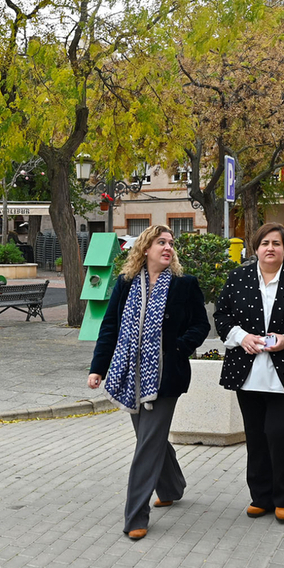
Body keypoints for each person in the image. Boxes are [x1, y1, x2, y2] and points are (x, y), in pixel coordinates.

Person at [88, 225, 210, 541]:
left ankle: (136, 516)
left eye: (171, 243)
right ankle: (171, 486)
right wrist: (97, 368)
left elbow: (201, 324)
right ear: (145, 249)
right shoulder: (126, 284)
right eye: (161, 242)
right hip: (131, 375)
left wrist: (179, 348)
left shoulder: (185, 285)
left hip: (166, 377)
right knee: (149, 438)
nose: (168, 247)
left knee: (147, 444)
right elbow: (110, 327)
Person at [214, 223, 284, 523]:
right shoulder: (238, 278)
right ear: (256, 248)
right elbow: (221, 315)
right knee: (256, 436)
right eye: (265, 243)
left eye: (276, 243)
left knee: (278, 431)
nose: (270, 248)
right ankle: (260, 497)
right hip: (248, 373)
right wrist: (241, 337)